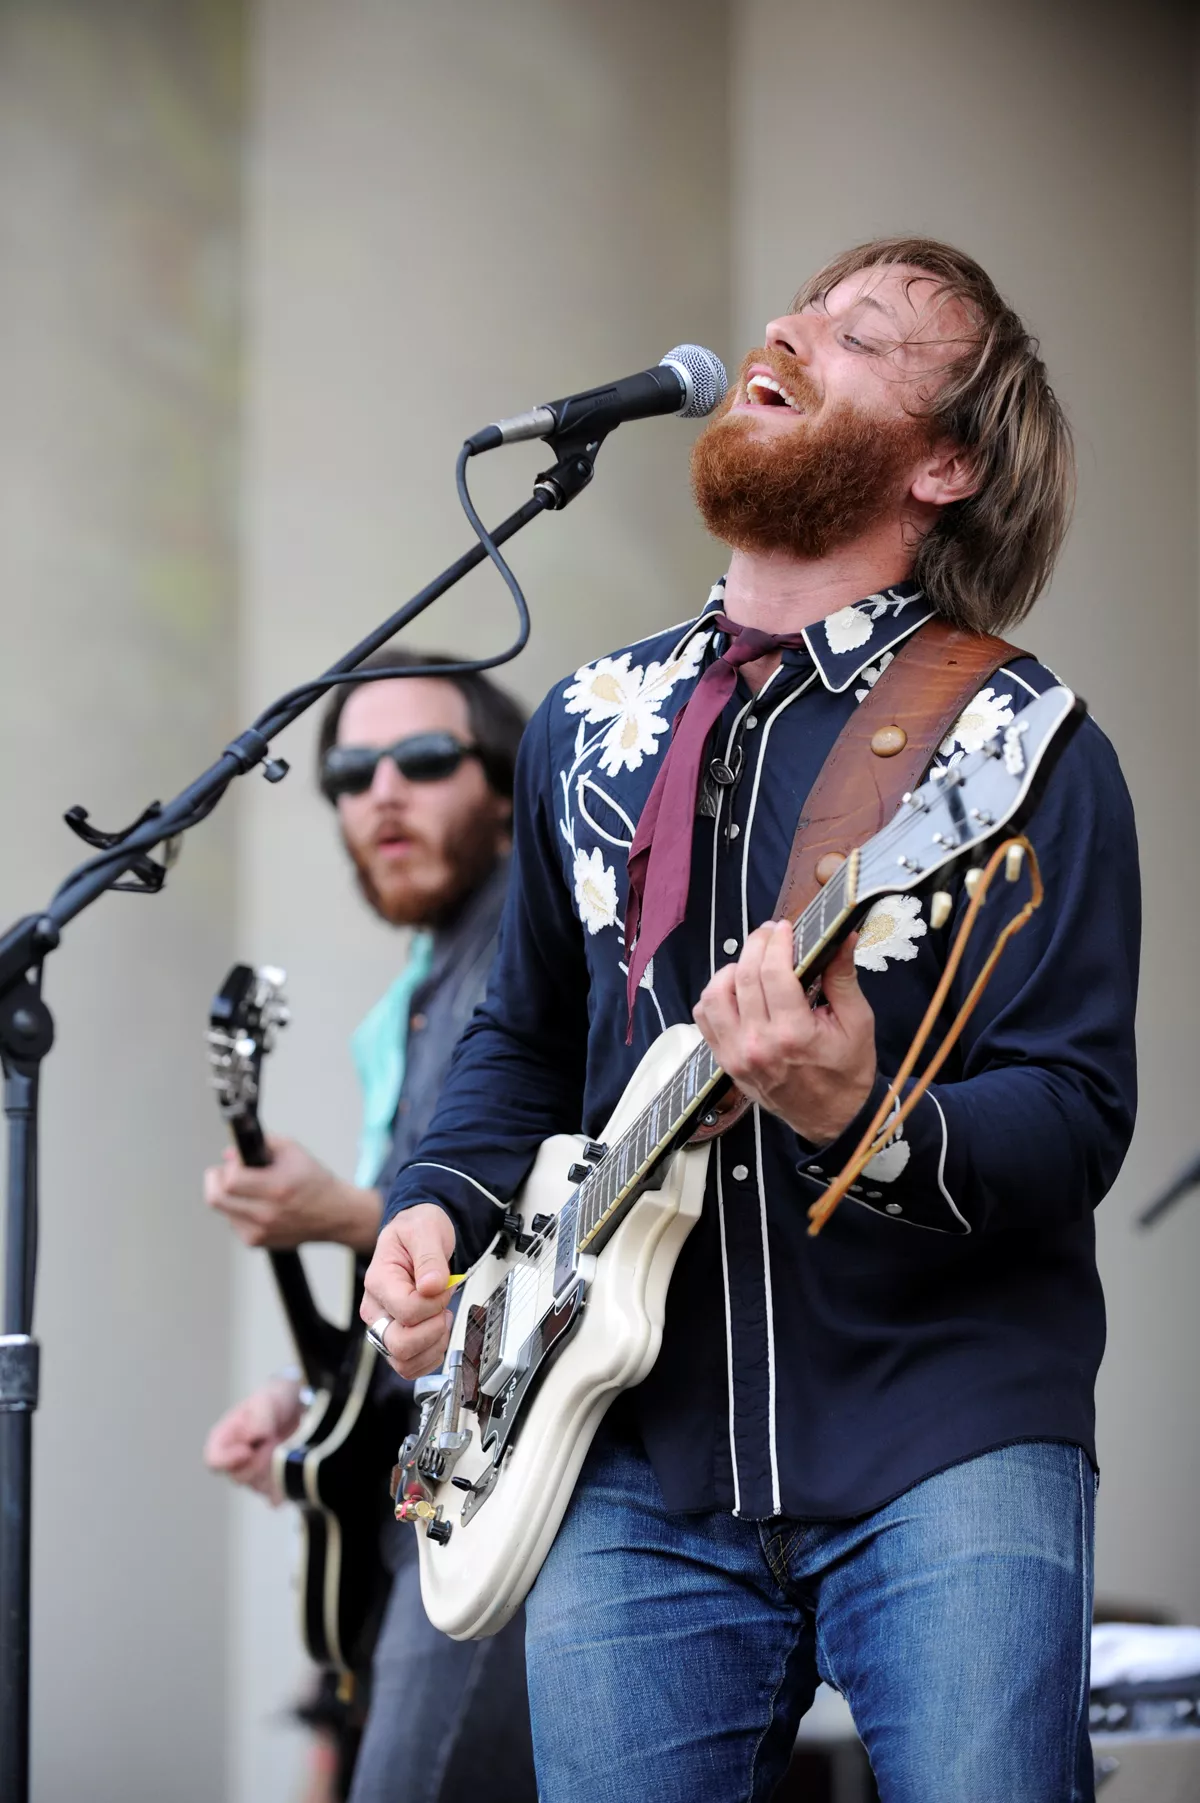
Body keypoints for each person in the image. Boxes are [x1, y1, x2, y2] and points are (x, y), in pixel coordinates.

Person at [361, 237, 1140, 1803]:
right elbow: (522, 1036)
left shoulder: (1018, 741)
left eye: (857, 333)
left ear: (944, 463)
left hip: (949, 1424)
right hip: (626, 1446)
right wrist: (430, 1211)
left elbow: (1075, 1106)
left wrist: (871, 1115)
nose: (784, 329)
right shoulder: (588, 718)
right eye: (797, 308)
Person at [203, 647, 537, 1803]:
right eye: (351, 770)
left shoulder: (526, 956)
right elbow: (422, 1298)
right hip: (427, 1485)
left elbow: (551, 1231)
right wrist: (317, 1416)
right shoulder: (420, 983)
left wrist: (340, 1213)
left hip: (511, 1501)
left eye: (427, 758)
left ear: (503, 785)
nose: (381, 792)